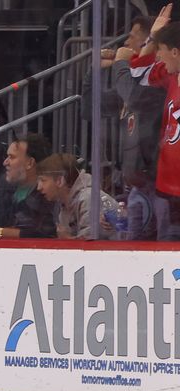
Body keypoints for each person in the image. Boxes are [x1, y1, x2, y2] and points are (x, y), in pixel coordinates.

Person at [80, 15, 163, 240]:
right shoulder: (126, 87)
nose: (125, 43)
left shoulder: (158, 83)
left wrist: (120, 64)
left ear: (149, 44)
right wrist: (94, 70)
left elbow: (134, 97)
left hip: (158, 188)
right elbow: (90, 108)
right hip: (134, 188)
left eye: (132, 37)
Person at [135, 5, 180, 240]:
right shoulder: (172, 74)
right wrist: (153, 37)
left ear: (175, 51)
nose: (158, 55)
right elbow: (139, 75)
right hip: (169, 192)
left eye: (161, 49)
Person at [0, 132, 55, 239]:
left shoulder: (48, 196)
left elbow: (43, 234)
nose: (5, 162)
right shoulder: (5, 189)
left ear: (30, 163)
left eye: (11, 157)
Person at [35, 153, 117, 240]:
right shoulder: (65, 204)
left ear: (59, 181)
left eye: (43, 180)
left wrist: (66, 239)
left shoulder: (88, 199)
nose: (38, 187)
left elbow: (90, 247)